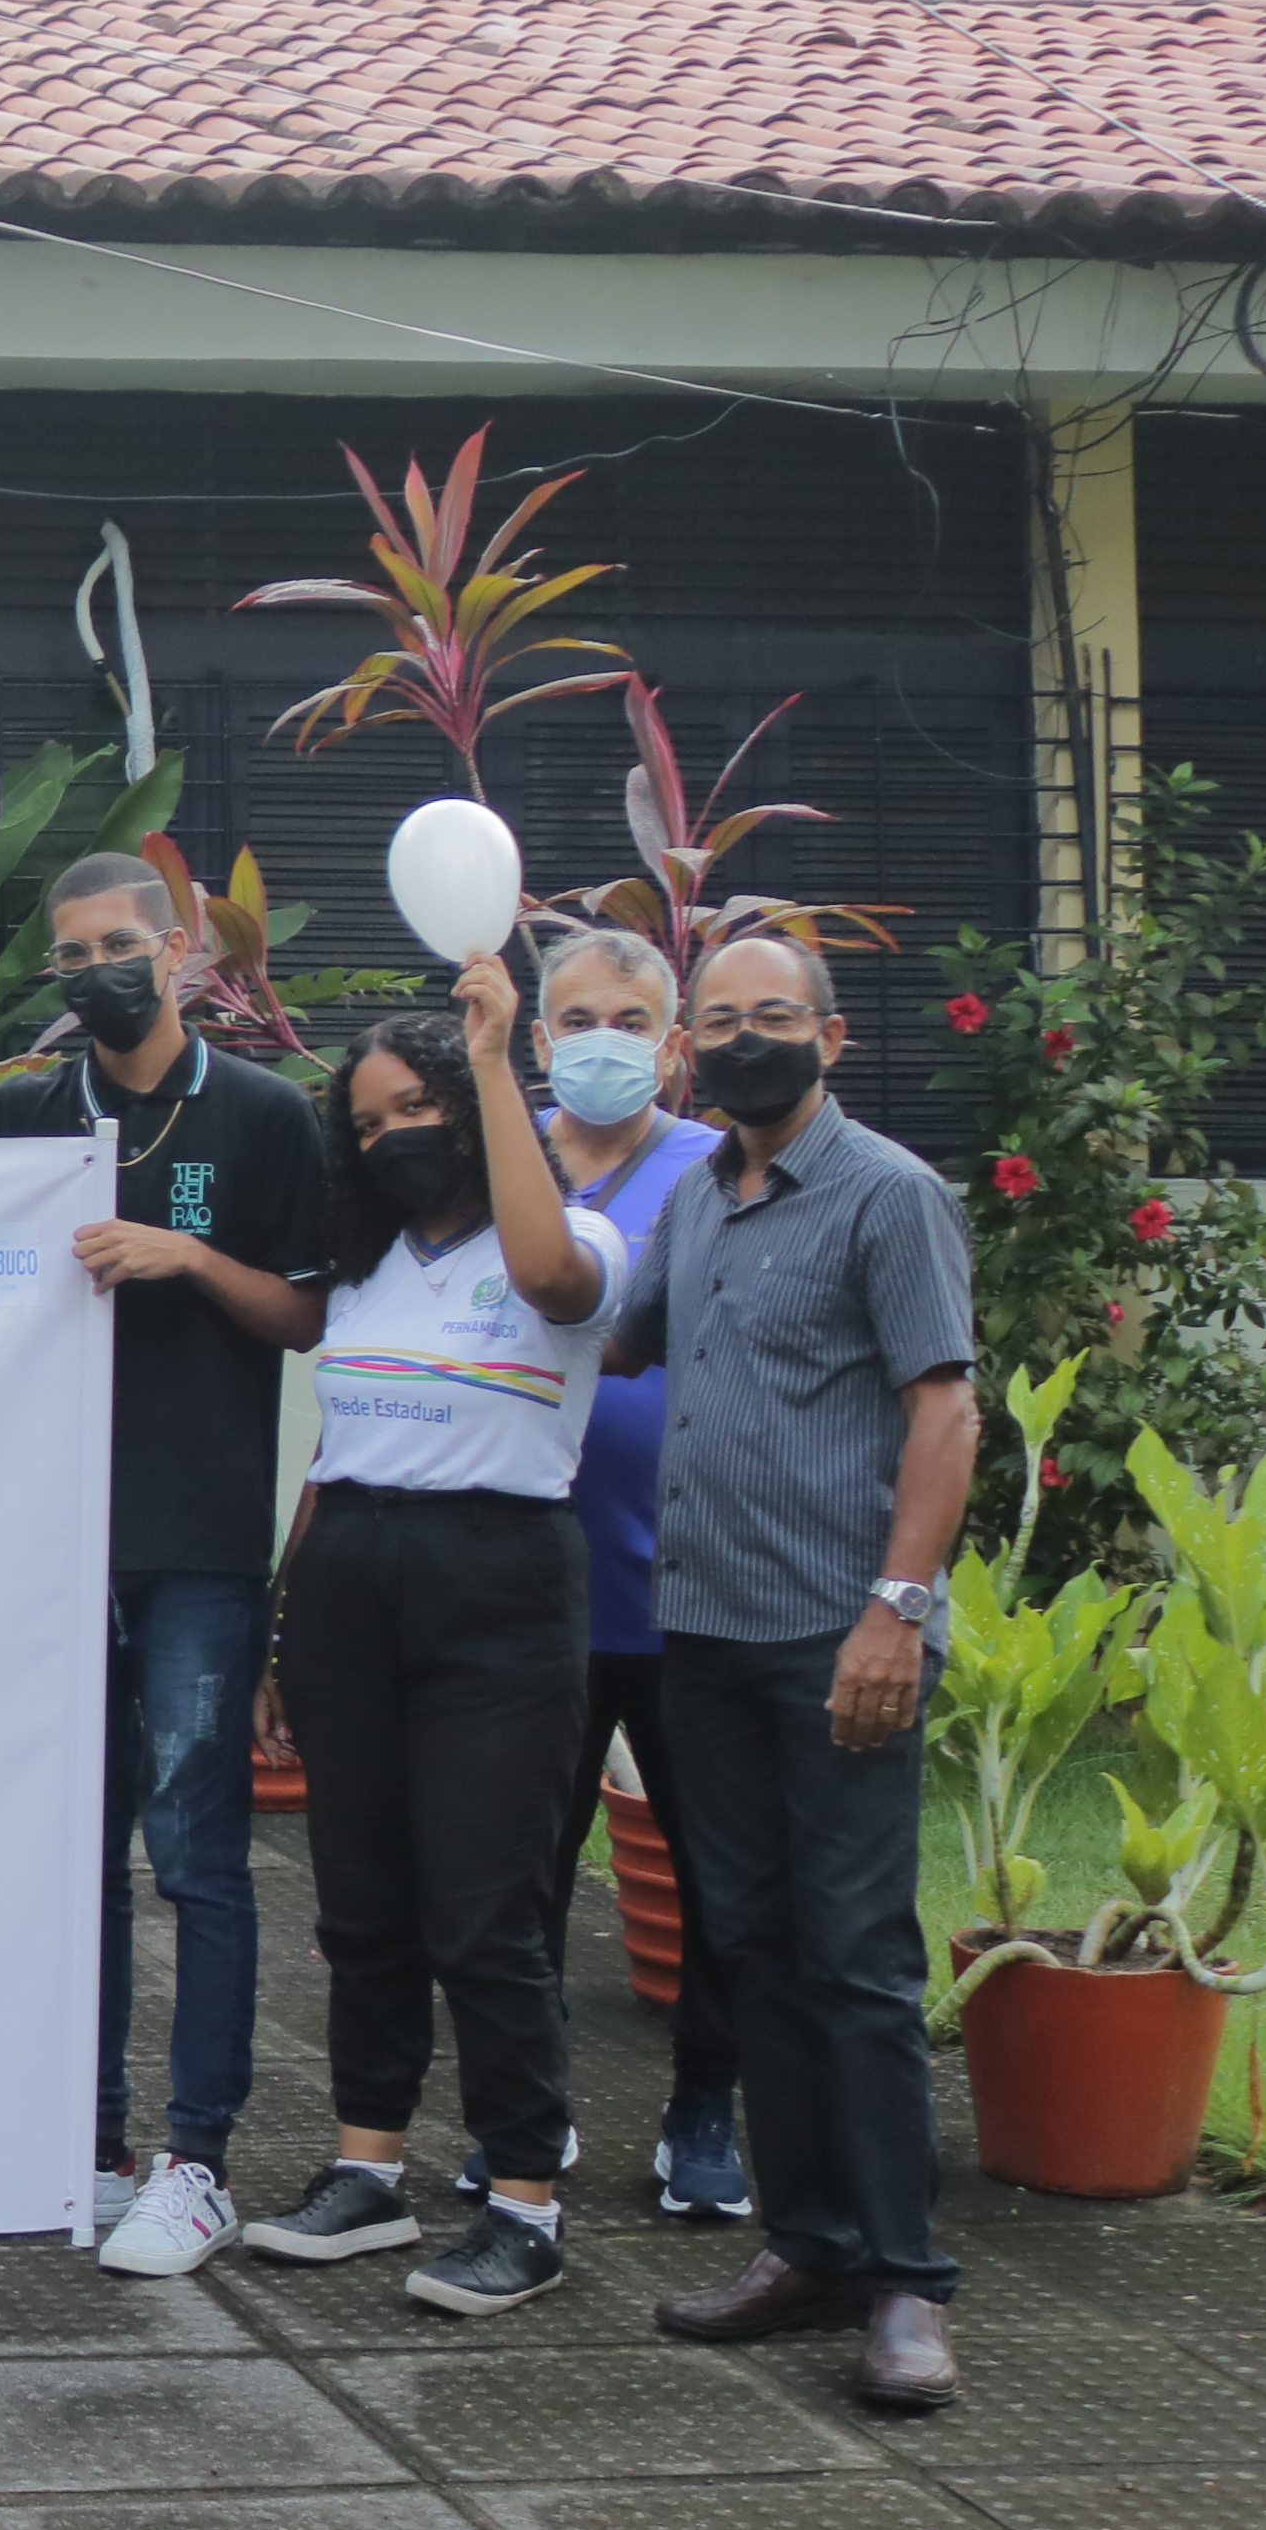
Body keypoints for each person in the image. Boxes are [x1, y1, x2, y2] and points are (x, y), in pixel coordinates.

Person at [0, 845, 336, 2283]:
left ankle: (199, 2160)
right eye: (71, 956)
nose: (98, 970)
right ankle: (90, 2143)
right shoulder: (29, 1115)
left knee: (199, 1856)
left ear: (178, 955)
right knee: (74, 1863)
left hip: (200, 1547)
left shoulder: (268, 1118)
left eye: (121, 944)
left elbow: (303, 1314)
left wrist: (188, 1263)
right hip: (48, 1550)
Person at [604, 933, 979, 2411]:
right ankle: (806, 2243)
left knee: (858, 1959)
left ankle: (904, 2283)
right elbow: (605, 1336)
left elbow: (944, 1412)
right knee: (749, 1949)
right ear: (689, 1049)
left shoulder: (889, 1194)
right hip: (700, 1632)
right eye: (723, 1020)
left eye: (777, 1016)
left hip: (839, 1643)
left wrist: (899, 1608)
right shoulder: (696, 1196)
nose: (749, 1038)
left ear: (833, 1038)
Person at [238, 965, 626, 2318]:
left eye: (416, 1107)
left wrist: (500, 1049)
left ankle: (524, 2198)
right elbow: (336, 1455)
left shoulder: (574, 1245)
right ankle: (367, 2169)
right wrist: (286, 1626)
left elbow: (544, 1271)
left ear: (473, 1109)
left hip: (499, 1584)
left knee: (486, 1913)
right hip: (353, 1577)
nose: (388, 1135)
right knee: (363, 1906)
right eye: (365, 1121)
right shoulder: (361, 1272)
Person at [536, 928, 741, 2223]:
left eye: (627, 1018)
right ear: (535, 1037)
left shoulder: (720, 1172)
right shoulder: (496, 1167)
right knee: (515, 1877)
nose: (598, 1039)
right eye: (573, 1018)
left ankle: (703, 2117)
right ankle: (527, 2115)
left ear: (672, 1046)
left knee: (719, 1873)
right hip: (529, 1597)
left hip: (690, 1591)